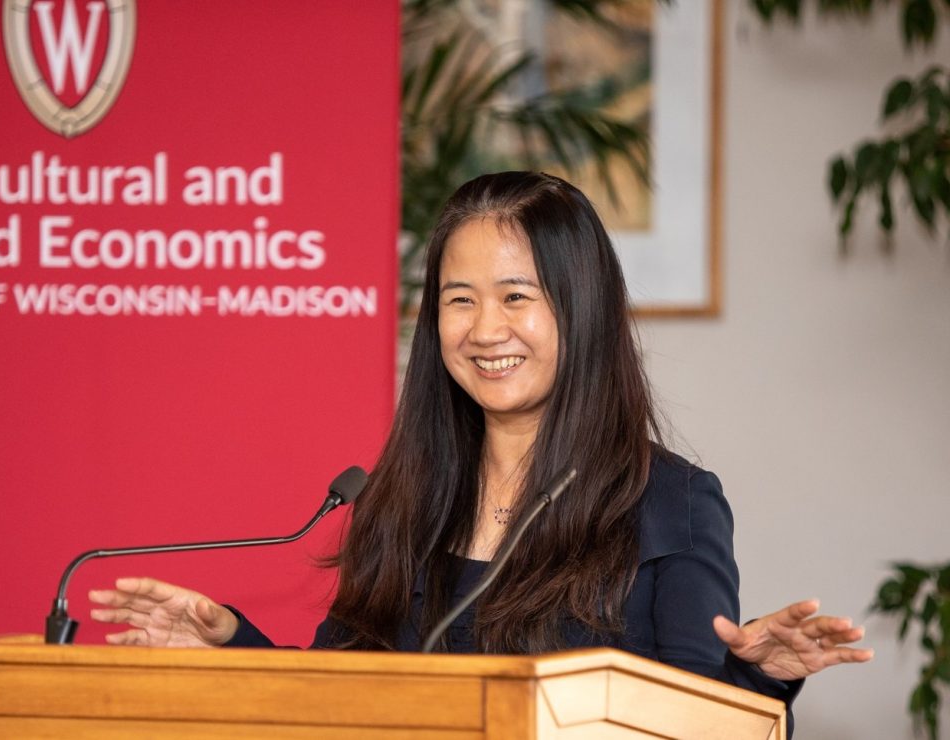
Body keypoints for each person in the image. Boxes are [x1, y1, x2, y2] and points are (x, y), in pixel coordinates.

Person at [89, 172, 872, 729]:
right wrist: (232, 647)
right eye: (459, 300)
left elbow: (697, 720)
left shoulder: (672, 503)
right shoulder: (400, 496)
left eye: (516, 297)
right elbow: (343, 700)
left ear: (580, 310)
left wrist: (754, 676)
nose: (484, 330)